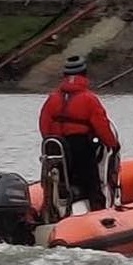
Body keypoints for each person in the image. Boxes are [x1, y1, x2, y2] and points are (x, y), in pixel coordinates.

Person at [38, 55, 121, 211]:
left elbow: (44, 124)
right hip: (82, 149)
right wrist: (113, 145)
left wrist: (52, 142)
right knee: (92, 185)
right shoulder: (89, 100)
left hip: (57, 150)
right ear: (84, 74)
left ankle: (53, 212)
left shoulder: (52, 99)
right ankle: (99, 212)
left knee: (58, 184)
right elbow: (102, 126)